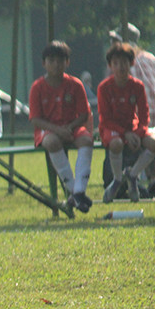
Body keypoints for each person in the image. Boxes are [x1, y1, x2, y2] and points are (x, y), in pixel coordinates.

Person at [29, 41, 95, 213]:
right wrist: (58, 130)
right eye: (51, 60)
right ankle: (73, 190)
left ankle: (79, 191)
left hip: (72, 127)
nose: (56, 64)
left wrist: (70, 128)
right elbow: (35, 119)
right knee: (51, 142)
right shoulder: (37, 87)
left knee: (87, 140)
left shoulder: (76, 84)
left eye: (60, 60)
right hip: (49, 130)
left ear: (67, 62)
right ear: (44, 63)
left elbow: (83, 115)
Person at [97, 42, 155, 203]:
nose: (121, 67)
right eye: (116, 63)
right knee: (116, 144)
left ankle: (132, 175)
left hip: (132, 128)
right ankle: (117, 180)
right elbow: (105, 119)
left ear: (131, 63)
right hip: (112, 129)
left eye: (125, 62)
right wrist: (126, 134)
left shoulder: (137, 86)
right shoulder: (104, 88)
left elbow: (144, 115)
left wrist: (137, 132)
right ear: (110, 66)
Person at [111, 23, 155, 197]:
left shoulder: (122, 64)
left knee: (136, 127)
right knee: (150, 131)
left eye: (114, 40)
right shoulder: (152, 58)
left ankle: (128, 177)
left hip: (138, 120)